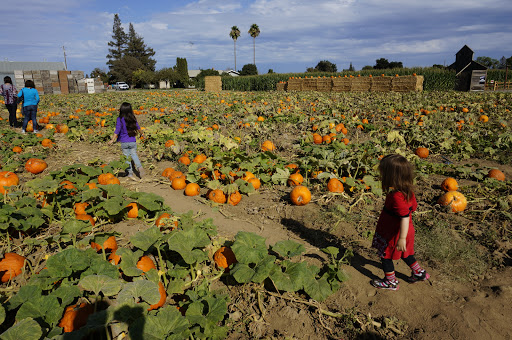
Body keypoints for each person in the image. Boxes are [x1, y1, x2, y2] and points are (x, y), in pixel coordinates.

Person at [371, 154, 429, 290]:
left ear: (391, 177)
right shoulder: (407, 191)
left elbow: (404, 216)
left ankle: (390, 281)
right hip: (407, 230)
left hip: (395, 233)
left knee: (385, 256)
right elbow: (412, 208)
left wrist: (401, 238)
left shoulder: (397, 196)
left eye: (383, 173)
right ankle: (419, 273)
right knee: (406, 253)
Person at [107, 102, 145, 178]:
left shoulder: (119, 119)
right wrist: (142, 134)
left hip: (124, 142)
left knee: (127, 158)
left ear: (121, 110)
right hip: (132, 141)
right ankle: (140, 167)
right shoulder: (133, 118)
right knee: (134, 155)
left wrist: (112, 139)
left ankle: (130, 173)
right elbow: (138, 128)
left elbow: (117, 130)